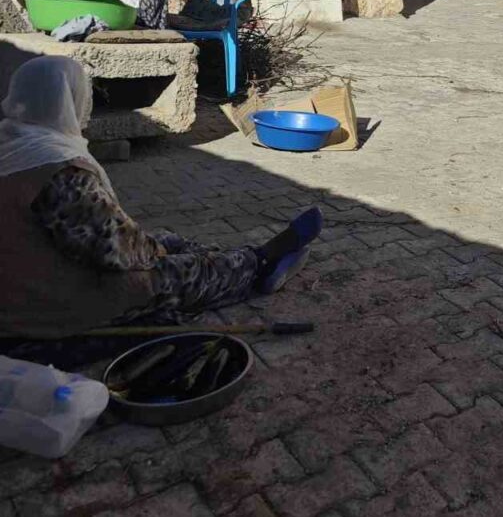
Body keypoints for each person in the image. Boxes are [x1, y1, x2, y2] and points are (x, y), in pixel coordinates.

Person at [0, 57, 322, 341]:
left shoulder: (13, 145)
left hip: (29, 279)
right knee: (176, 273)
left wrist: (159, 247)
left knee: (166, 240)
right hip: (48, 305)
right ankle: (258, 263)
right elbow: (119, 252)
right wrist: (160, 255)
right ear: (69, 101)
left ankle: (231, 260)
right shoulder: (59, 172)